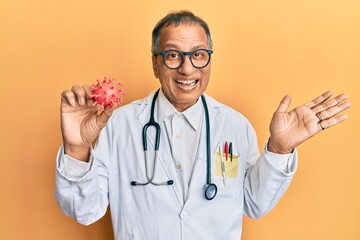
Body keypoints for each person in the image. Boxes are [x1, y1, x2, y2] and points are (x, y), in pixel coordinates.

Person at [55, 10, 350, 240]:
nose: (187, 68)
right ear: (155, 64)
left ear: (209, 60)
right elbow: (84, 210)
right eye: (173, 55)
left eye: (198, 55)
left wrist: (280, 149)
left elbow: (254, 204)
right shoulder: (120, 124)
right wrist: (77, 149)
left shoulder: (235, 125)